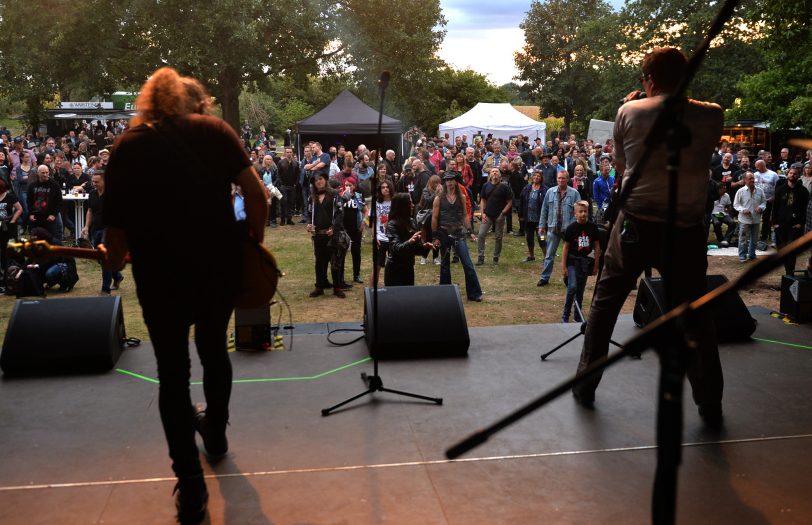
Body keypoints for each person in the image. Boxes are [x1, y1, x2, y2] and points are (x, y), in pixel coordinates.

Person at [102, 68, 268, 524]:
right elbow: (257, 195)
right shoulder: (215, 130)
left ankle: (191, 489)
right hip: (216, 270)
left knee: (172, 375)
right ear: (189, 99)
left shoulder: (128, 145)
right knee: (215, 350)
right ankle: (215, 435)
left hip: (160, 277)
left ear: (148, 101)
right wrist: (253, 241)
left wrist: (114, 258)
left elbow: (115, 239)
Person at [572, 48, 725, 428]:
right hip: (687, 231)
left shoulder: (629, 112)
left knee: (606, 304)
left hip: (637, 225)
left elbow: (624, 167)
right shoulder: (713, 114)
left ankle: (586, 384)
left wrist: (635, 102)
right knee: (696, 315)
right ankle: (709, 402)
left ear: (649, 79)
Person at [431, 172, 482, 301]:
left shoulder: (462, 197)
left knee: (467, 263)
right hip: (443, 233)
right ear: (445, 182)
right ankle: (445, 293)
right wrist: (435, 236)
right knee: (444, 264)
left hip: (459, 233)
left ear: (455, 181)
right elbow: (434, 217)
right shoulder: (439, 198)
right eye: (447, 180)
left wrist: (470, 231)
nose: (449, 182)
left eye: (451, 180)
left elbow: (465, 215)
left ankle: (474, 294)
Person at [82, 170, 123, 295]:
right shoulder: (92, 193)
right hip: (96, 228)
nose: (94, 184)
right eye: (93, 181)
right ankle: (117, 275)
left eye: (97, 182)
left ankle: (105, 289)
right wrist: (86, 227)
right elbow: (90, 211)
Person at [537, 168, 580, 286]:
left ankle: (569, 279)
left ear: (567, 180)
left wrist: (574, 227)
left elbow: (578, 211)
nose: (561, 180)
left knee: (570, 256)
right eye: (559, 178)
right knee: (549, 255)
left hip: (568, 230)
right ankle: (544, 278)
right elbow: (544, 210)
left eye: (563, 178)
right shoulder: (550, 192)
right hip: (553, 228)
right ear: (556, 179)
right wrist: (541, 225)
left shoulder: (574, 193)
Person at [561, 201, 601, 323]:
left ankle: (577, 316)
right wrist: (563, 266)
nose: (583, 214)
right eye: (580, 212)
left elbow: (597, 247)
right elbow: (565, 248)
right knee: (572, 286)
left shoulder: (593, 227)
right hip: (572, 262)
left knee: (580, 291)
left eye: (585, 211)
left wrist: (596, 265)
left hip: (584, 263)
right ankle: (565, 316)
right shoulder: (571, 228)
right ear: (575, 214)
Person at [308, 172, 346, 297]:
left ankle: (337, 287)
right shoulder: (312, 198)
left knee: (335, 261)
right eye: (316, 180)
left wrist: (334, 228)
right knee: (319, 262)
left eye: (321, 179)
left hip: (332, 235)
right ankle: (319, 286)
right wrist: (309, 224)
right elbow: (309, 214)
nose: (319, 182)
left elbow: (340, 213)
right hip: (318, 235)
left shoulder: (334, 195)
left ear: (325, 180)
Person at [384, 193, 432, 286]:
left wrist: (424, 247)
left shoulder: (412, 222)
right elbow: (396, 248)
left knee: (408, 298)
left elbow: (414, 250)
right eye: (410, 203)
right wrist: (410, 241)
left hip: (408, 268)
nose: (413, 205)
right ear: (402, 206)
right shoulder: (392, 224)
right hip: (395, 270)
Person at [771, 165, 809, 274]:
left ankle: (790, 271)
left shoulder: (803, 191)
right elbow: (775, 207)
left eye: (795, 173)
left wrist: (801, 223)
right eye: (791, 173)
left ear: (799, 176)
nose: (793, 175)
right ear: (787, 174)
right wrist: (774, 223)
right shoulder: (780, 189)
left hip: (794, 225)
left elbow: (804, 209)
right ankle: (787, 269)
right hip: (781, 224)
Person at [476, 167, 513, 265]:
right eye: (493, 171)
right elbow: (483, 200)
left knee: (498, 237)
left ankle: (496, 258)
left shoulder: (505, 187)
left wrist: (503, 213)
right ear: (490, 174)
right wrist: (482, 213)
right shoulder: (485, 185)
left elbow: (509, 202)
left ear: (500, 174)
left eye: (497, 171)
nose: (495, 173)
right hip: (487, 214)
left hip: (499, 215)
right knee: (481, 235)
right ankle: (480, 257)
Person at [339, 176, 366, 284]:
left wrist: (364, 222)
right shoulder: (341, 196)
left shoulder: (359, 196)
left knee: (356, 252)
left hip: (356, 228)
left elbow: (366, 210)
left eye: (350, 185)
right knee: (342, 253)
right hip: (344, 228)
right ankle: (341, 277)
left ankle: (357, 274)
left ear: (354, 186)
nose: (348, 187)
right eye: (346, 185)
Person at [734, 171, 766, 262]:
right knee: (743, 238)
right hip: (744, 219)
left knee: (754, 238)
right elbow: (736, 204)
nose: (752, 180)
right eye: (750, 178)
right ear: (744, 180)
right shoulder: (740, 191)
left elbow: (764, 202)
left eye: (753, 178)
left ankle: (752, 254)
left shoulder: (760, 190)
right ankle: (742, 255)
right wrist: (743, 209)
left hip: (756, 218)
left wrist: (761, 207)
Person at [27, 164, 63, 238]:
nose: (45, 174)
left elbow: (59, 201)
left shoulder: (54, 184)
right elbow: (29, 201)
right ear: (38, 173)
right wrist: (30, 213)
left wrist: (53, 214)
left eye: (47, 172)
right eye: (43, 173)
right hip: (36, 217)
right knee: (36, 239)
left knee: (50, 238)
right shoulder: (32, 185)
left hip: (49, 217)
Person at [519, 169, 546, 262]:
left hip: (540, 220)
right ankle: (531, 256)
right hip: (528, 219)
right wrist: (521, 215)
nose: (536, 177)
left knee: (541, 238)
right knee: (529, 238)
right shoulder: (527, 188)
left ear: (541, 178)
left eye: (538, 176)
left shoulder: (545, 189)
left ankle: (546, 257)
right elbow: (521, 202)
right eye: (535, 175)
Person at [371, 179, 393, 286]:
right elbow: (374, 221)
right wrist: (374, 236)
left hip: (393, 238)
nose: (385, 189)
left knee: (393, 266)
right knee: (377, 266)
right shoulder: (376, 202)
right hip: (380, 237)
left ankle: (392, 288)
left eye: (387, 187)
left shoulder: (395, 201)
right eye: (383, 187)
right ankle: (371, 291)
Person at [710, 181, 737, 247]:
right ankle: (720, 239)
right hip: (713, 213)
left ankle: (726, 240)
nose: (725, 189)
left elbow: (728, 206)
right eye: (723, 188)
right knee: (717, 223)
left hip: (722, 213)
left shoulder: (726, 195)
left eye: (725, 188)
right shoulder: (712, 195)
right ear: (719, 189)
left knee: (732, 223)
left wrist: (729, 210)